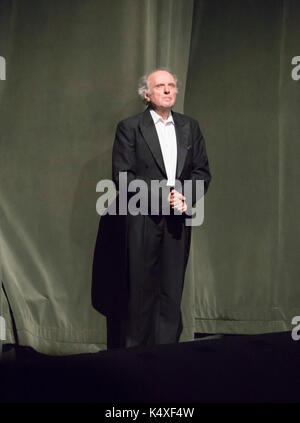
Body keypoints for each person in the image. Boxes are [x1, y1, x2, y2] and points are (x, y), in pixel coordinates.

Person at [102, 69, 211, 348]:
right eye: (160, 86)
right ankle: (136, 357)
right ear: (146, 95)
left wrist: (185, 197)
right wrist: (166, 197)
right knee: (140, 290)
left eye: (171, 85)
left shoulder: (190, 127)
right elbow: (123, 178)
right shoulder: (130, 127)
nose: (167, 90)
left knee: (172, 291)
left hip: (177, 220)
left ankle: (167, 357)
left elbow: (201, 171)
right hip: (142, 219)